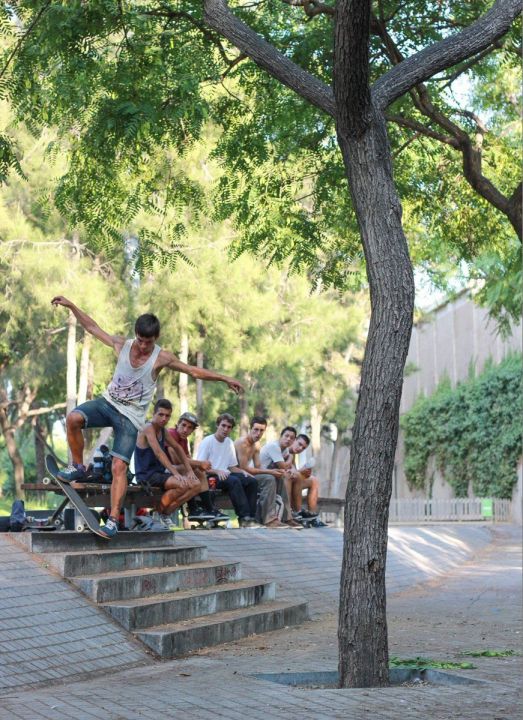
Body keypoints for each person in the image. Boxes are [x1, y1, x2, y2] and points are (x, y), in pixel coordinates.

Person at [50, 296, 243, 538]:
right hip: (107, 403)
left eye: (148, 342)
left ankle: (112, 520)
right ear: (136, 336)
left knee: (119, 466)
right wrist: (71, 305)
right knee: (73, 419)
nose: (143, 347)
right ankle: (78, 466)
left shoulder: (162, 358)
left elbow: (193, 371)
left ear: (156, 339)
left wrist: (225, 378)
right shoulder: (121, 344)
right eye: (140, 341)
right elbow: (92, 327)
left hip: (130, 418)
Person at [134, 399, 200, 529]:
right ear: (154, 414)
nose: (164, 418)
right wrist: (175, 473)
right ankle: (158, 514)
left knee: (196, 484)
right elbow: (159, 453)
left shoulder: (163, 431)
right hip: (146, 475)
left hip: (159, 474)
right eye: (161, 414)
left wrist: (190, 471)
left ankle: (164, 514)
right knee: (182, 484)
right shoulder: (148, 428)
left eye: (167, 415)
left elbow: (178, 448)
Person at [196, 413, 259, 528]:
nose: (225, 429)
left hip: (225, 475)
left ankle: (251, 517)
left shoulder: (229, 442)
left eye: (229, 427)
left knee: (251, 481)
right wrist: (217, 471)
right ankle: (244, 517)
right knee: (234, 481)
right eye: (223, 425)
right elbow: (200, 467)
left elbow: (232, 467)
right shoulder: (208, 441)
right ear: (217, 425)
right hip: (210, 477)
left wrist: (243, 472)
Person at [167, 411, 228, 523]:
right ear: (178, 424)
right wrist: (199, 463)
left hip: (175, 471)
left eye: (189, 428)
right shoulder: (171, 433)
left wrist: (198, 465)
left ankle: (208, 509)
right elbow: (176, 459)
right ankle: (195, 509)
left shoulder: (183, 440)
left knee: (198, 471)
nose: (185, 430)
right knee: (193, 470)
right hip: (163, 470)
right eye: (183, 425)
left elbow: (186, 459)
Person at [234, 417, 289, 528]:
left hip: (248, 476)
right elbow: (244, 468)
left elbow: (258, 467)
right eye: (256, 429)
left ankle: (286, 518)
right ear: (250, 428)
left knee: (280, 477)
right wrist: (271, 472)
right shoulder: (242, 443)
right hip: (235, 474)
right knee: (269, 478)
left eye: (261, 430)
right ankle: (269, 519)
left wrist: (274, 471)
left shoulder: (257, 445)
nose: (258, 433)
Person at [259, 426, 302, 527]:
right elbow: (283, 466)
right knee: (274, 478)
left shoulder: (285, 450)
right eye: (286, 436)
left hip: (269, 476)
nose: (288, 439)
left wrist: (291, 470)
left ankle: (287, 518)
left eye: (292, 438)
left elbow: (287, 467)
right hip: (257, 475)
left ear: (294, 440)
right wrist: (291, 457)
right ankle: (270, 520)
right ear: (281, 436)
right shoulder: (274, 446)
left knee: (282, 478)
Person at [287, 433, 325, 527]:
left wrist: (305, 474)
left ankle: (312, 516)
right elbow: (289, 474)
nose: (300, 448)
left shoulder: (293, 455)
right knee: (299, 476)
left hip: (293, 481)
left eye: (303, 448)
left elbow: (295, 473)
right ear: (294, 440)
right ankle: (298, 512)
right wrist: (301, 472)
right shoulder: (285, 450)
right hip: (282, 482)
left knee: (313, 480)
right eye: (299, 444)